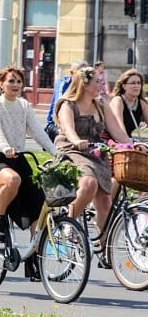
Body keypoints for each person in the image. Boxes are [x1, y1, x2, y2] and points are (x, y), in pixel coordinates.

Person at [0, 66, 58, 278]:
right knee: (12, 180)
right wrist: (5, 147)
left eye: (18, 82)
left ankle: (33, 262)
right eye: (10, 81)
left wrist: (55, 152)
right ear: (1, 84)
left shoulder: (24, 105)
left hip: (18, 159)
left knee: (38, 209)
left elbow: (37, 131)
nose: (15, 85)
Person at [55, 66, 137, 252]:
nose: (102, 84)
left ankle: (103, 248)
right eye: (97, 82)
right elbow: (68, 129)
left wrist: (132, 144)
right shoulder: (67, 104)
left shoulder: (101, 104)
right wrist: (77, 141)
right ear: (84, 84)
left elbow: (117, 131)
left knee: (105, 202)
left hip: (96, 152)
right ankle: (70, 222)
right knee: (89, 184)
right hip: (73, 151)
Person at [45, 59, 87, 140]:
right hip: (56, 124)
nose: (83, 78)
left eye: (85, 75)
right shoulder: (63, 83)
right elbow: (59, 105)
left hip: (76, 122)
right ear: (72, 73)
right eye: (80, 74)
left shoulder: (86, 86)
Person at [109, 69, 148, 137]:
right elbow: (119, 124)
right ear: (124, 86)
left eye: (139, 83)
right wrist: (127, 142)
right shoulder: (118, 101)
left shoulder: (141, 103)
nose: (136, 86)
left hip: (128, 141)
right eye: (133, 83)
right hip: (114, 140)